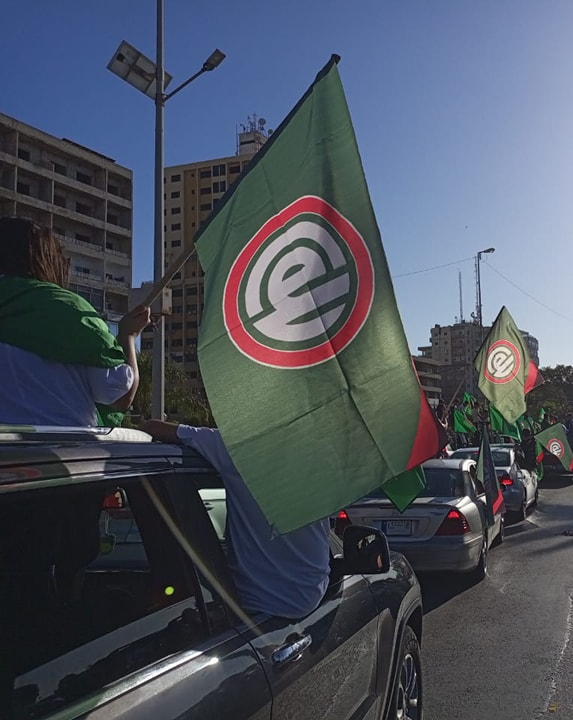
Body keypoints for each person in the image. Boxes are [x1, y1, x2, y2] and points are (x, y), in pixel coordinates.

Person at [140, 420, 331, 620]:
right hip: (310, 598)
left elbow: (152, 428)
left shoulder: (238, 448)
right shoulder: (321, 459)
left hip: (255, 604)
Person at [0, 217, 150, 426]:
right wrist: (128, 336)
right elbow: (119, 395)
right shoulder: (69, 310)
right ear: (46, 258)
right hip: (62, 443)